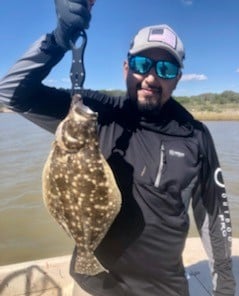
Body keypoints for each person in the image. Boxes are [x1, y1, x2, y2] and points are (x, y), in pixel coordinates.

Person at [0, 1, 236, 295]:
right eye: (140, 64)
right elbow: (11, 93)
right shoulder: (96, 114)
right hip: (94, 284)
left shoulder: (196, 136)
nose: (150, 77)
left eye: (165, 68)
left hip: (164, 289)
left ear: (178, 77)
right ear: (126, 67)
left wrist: (225, 285)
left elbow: (214, 215)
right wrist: (59, 39)